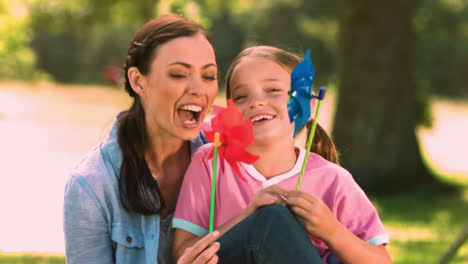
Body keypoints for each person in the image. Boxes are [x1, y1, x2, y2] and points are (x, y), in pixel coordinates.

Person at [172, 46, 392, 264]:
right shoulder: (210, 163)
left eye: (273, 90)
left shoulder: (334, 180)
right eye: (240, 96)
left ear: (308, 103)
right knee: (273, 218)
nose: (256, 102)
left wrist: (332, 231)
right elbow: (182, 253)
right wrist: (247, 218)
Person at [64, 14, 224, 264]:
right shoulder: (91, 185)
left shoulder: (223, 160)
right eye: (179, 74)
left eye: (208, 76)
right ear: (138, 81)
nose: (199, 89)